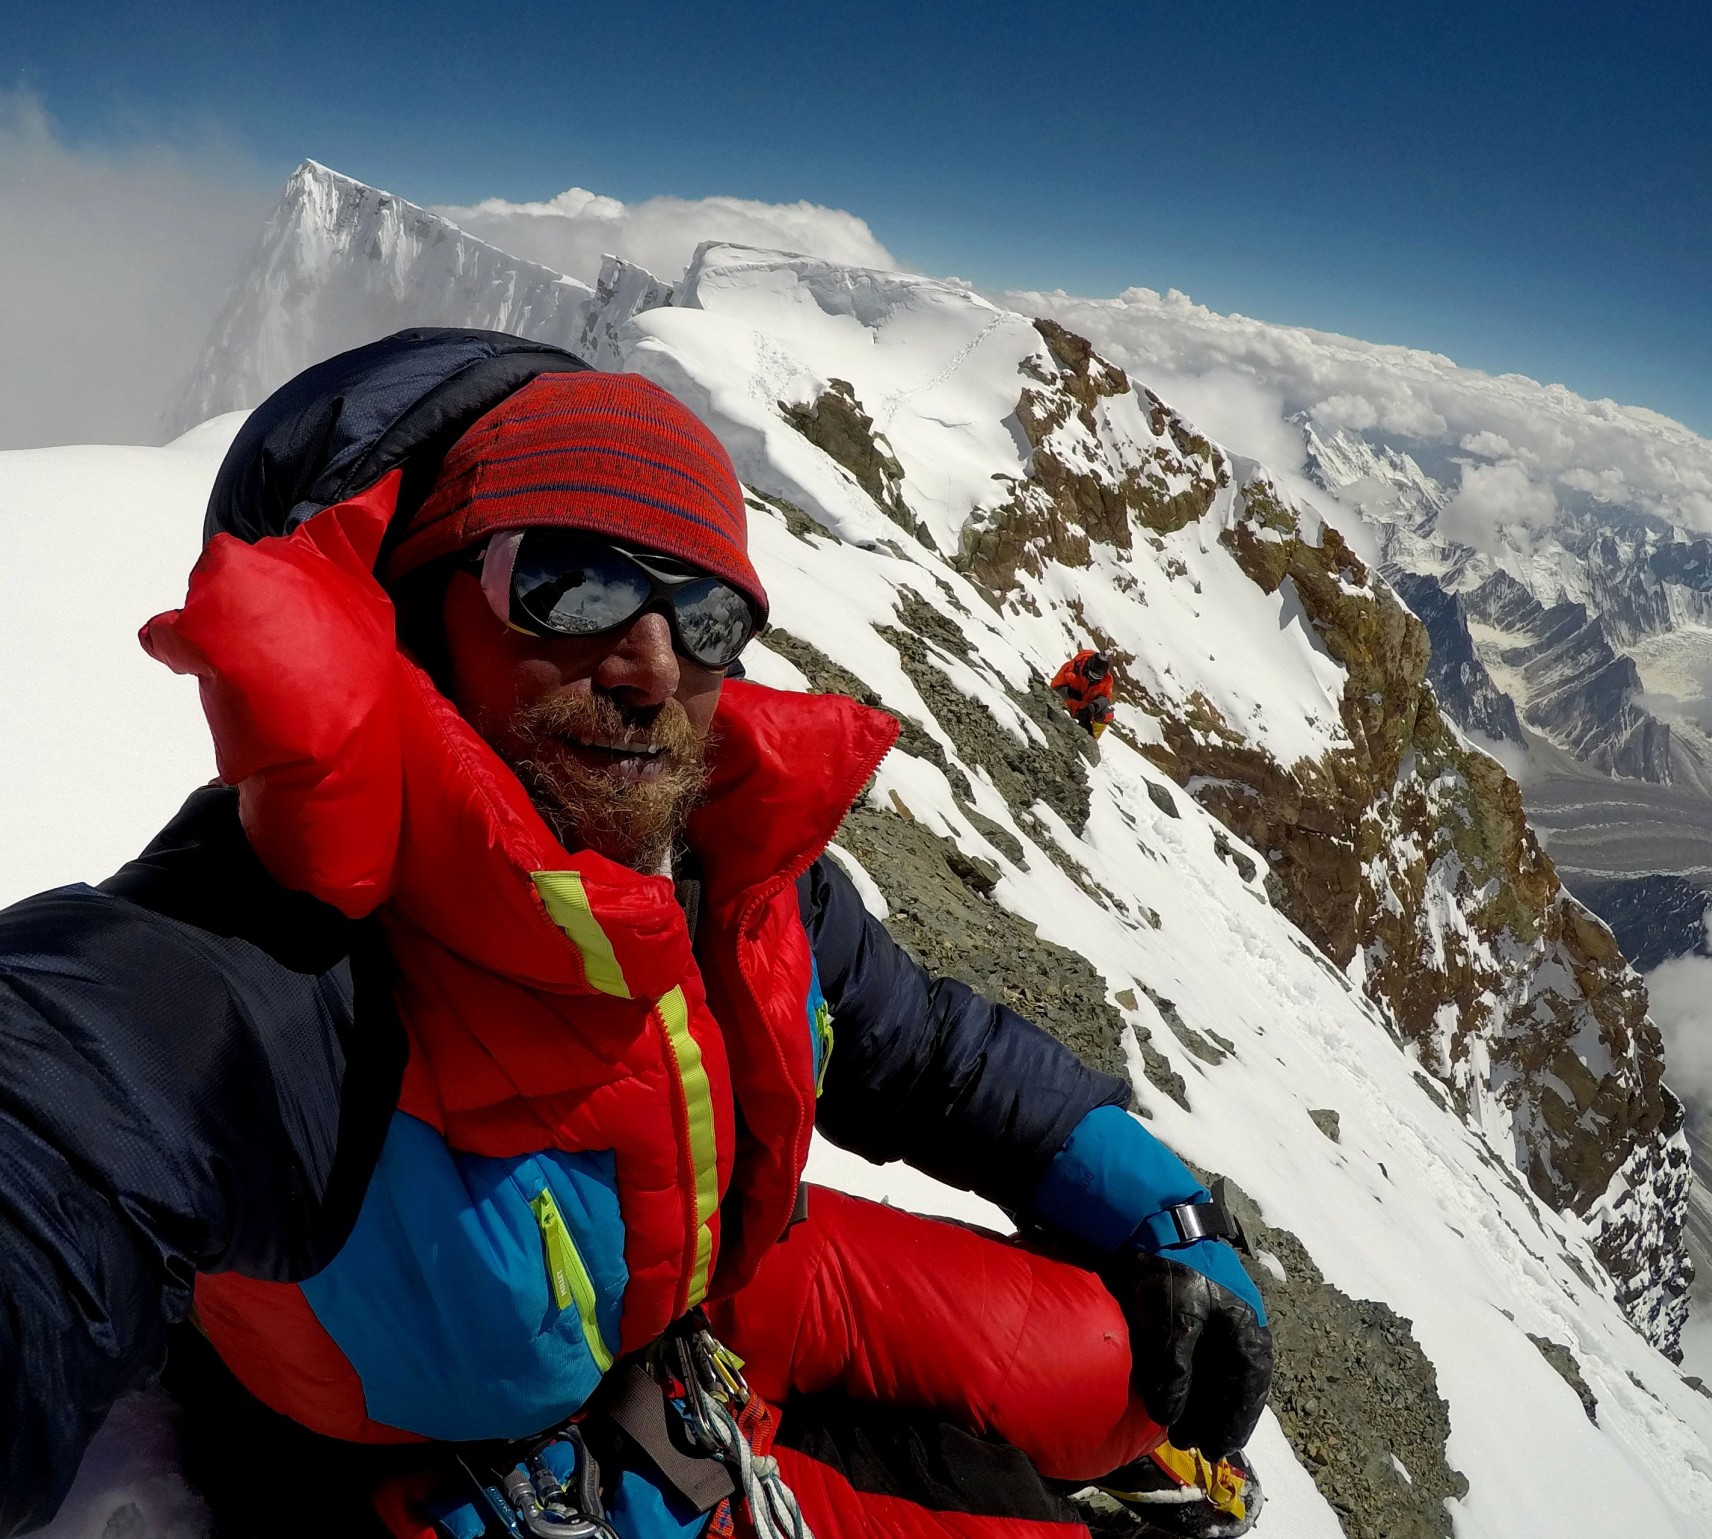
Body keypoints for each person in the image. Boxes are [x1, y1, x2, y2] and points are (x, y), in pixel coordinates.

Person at [0, 330, 1272, 1539]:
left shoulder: (716, 859)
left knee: (1135, 1371)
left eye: (706, 615)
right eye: (571, 585)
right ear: (427, 606)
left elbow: (918, 1043)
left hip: (702, 1289)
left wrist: (1164, 1210)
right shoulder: (289, 946)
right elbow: (76, 1104)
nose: (652, 664)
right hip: (505, 1470)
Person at [1050, 650, 1115, 738]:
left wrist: (1093, 707)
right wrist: (1069, 692)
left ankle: (1091, 740)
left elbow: (1105, 697)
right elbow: (1054, 688)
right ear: (1088, 667)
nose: (1093, 678)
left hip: (1086, 712)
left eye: (1098, 677)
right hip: (1065, 705)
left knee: (1107, 715)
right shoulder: (1071, 668)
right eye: (1092, 674)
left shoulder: (1107, 679)